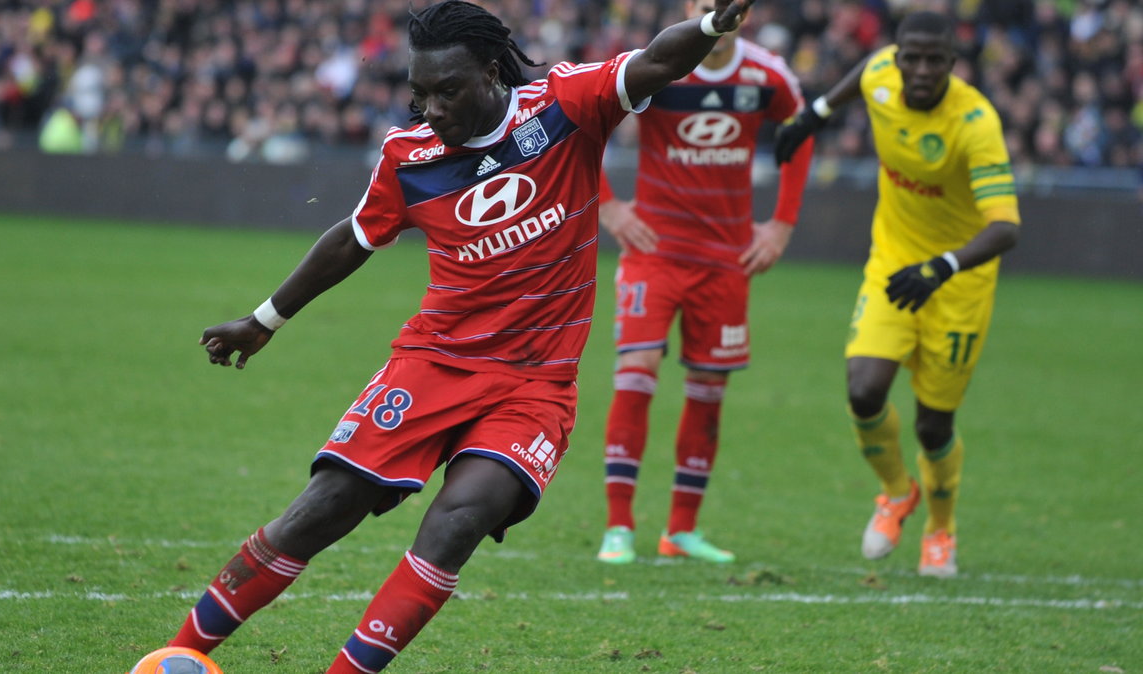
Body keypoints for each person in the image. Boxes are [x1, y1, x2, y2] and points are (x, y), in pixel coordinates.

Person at [160, 1, 756, 671]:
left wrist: (710, 27)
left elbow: (654, 62)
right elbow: (353, 239)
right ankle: (178, 654)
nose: (431, 109)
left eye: (447, 91)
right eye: (419, 93)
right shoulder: (408, 157)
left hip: (536, 386)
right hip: (433, 364)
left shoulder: (565, 106)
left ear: (492, 71)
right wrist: (263, 320)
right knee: (326, 506)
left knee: (457, 521)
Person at [773, 10, 1021, 578]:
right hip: (894, 263)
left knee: (933, 425)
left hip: (958, 282)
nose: (921, 70)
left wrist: (944, 266)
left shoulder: (975, 123)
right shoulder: (882, 72)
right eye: (912, 57)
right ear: (900, 55)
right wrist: (813, 115)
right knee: (864, 391)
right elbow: (865, 72)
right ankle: (895, 493)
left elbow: (1006, 226)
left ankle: (941, 528)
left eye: (935, 60)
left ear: (953, 66)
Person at [594, 1, 813, 565]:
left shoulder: (767, 74)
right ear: (689, 9)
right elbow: (579, 121)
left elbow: (802, 131)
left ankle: (680, 531)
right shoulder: (657, 65)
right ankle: (619, 526)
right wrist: (612, 209)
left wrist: (782, 225)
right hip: (655, 253)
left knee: (709, 390)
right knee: (637, 372)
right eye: (702, 1)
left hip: (727, 260)